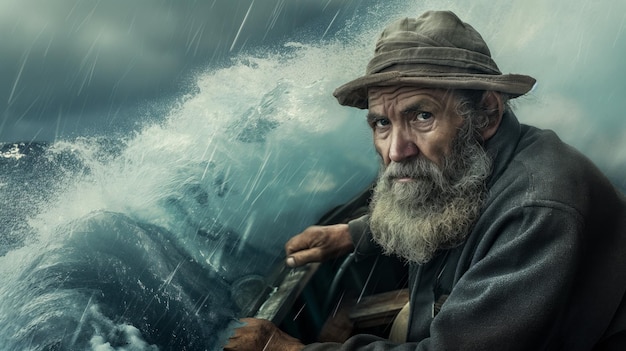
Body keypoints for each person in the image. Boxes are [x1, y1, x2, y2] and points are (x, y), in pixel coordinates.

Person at [224, 10, 626, 351]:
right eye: (382, 123)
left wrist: (289, 349)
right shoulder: (472, 166)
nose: (397, 150)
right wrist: (352, 235)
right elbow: (447, 209)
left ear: (485, 113)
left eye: (422, 116)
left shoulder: (538, 210)